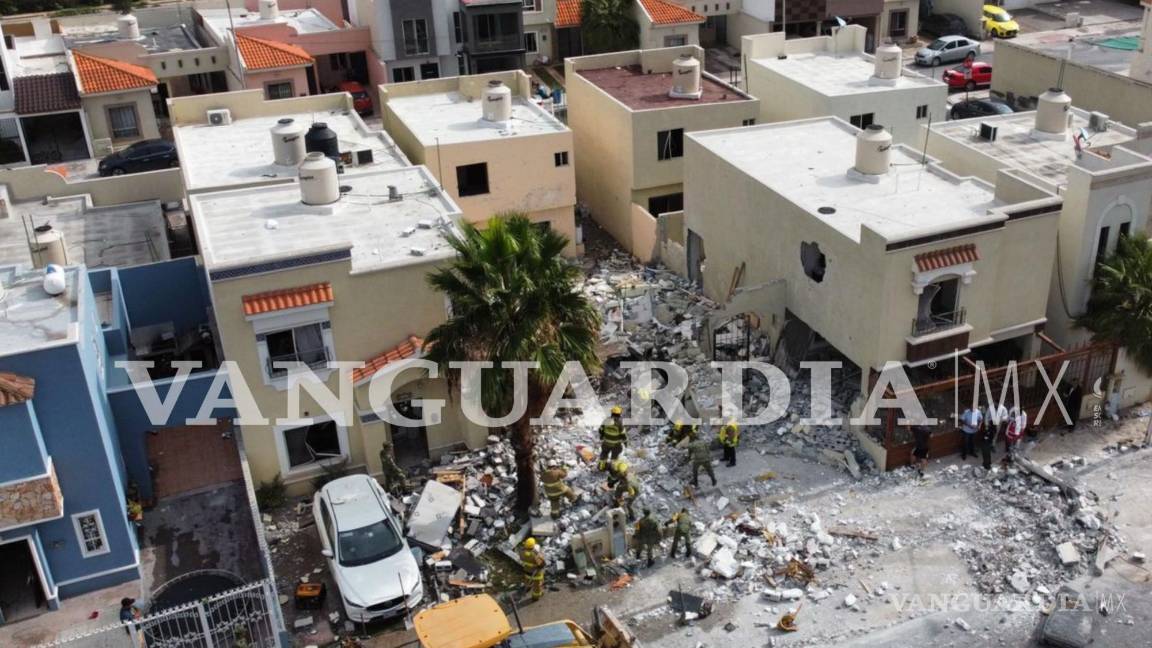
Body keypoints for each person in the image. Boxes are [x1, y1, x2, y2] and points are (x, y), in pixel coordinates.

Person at [598, 406, 626, 471]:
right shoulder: (619, 423)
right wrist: (625, 442)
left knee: (604, 453)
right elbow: (623, 434)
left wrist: (602, 436)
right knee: (615, 456)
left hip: (606, 442)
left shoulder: (606, 420)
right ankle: (613, 468)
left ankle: (601, 467)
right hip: (615, 444)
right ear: (619, 414)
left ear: (612, 413)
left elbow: (600, 430)